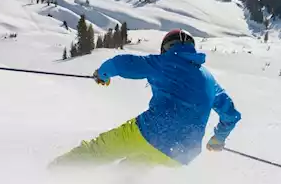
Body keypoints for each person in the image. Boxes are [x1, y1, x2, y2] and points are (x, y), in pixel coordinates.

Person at [50, 29, 240, 168]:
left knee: (98, 151)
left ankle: (53, 175)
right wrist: (218, 139)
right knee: (132, 171)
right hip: (181, 154)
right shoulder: (209, 79)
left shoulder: (166, 61)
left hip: (152, 132)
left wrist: (103, 74)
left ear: (166, 47)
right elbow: (231, 115)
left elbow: (122, 63)